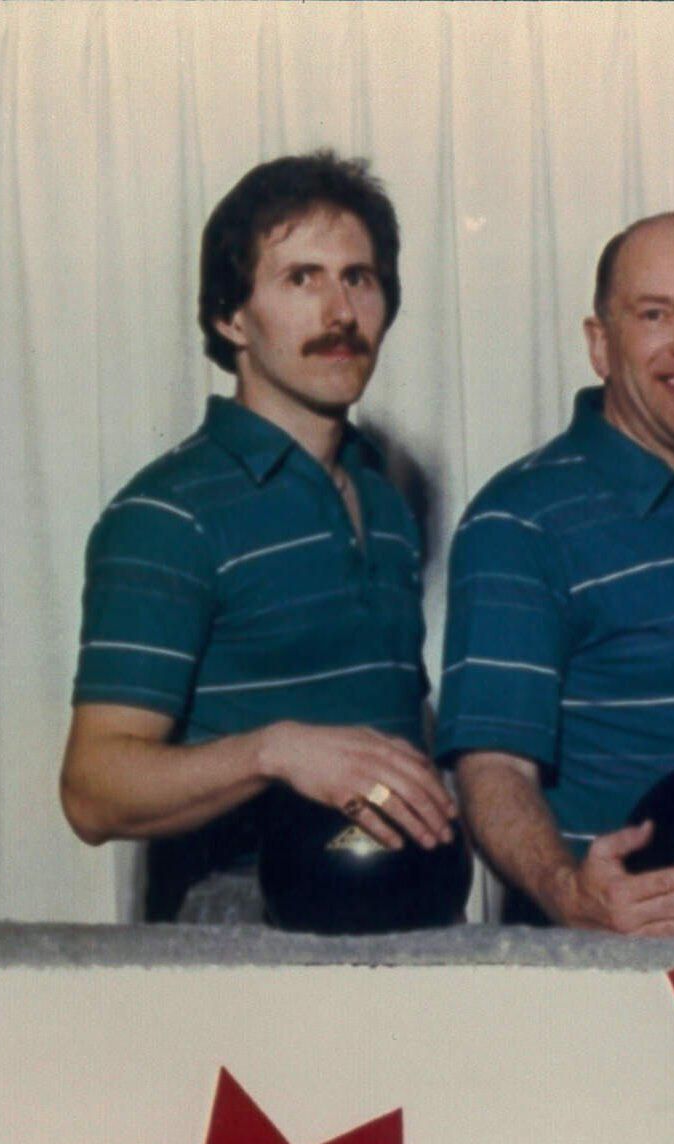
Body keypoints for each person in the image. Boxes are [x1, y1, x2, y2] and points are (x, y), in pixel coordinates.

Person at [60, 151, 455, 922]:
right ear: (230, 317)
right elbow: (92, 790)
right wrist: (277, 750)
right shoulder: (168, 514)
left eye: (358, 278)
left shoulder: (383, 495)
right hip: (245, 921)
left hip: (411, 911)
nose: (339, 313)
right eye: (301, 279)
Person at [436, 213, 674, 934]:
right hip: (609, 954)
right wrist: (568, 893)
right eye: (655, 314)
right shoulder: (520, 520)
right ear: (600, 343)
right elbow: (493, 769)